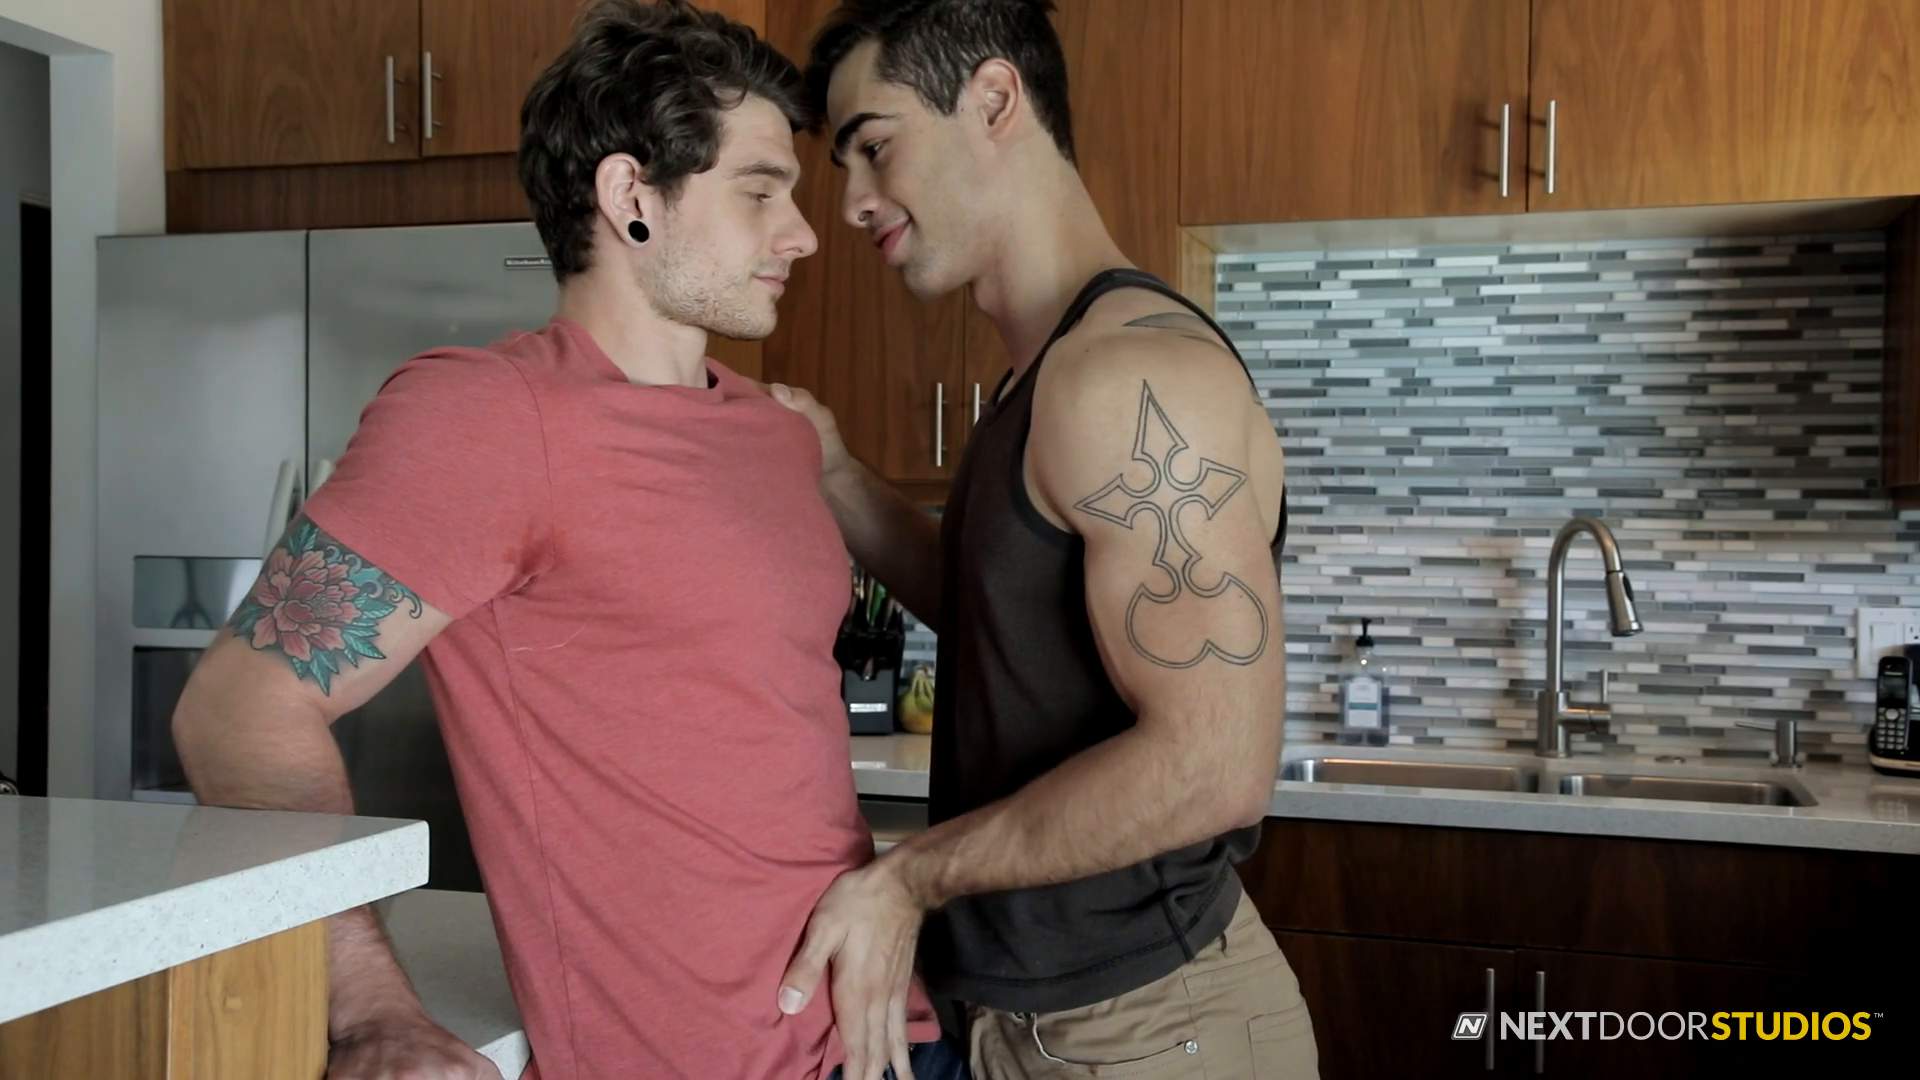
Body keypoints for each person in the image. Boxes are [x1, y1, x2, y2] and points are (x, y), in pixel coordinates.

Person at [170, 3, 966, 1078]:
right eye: (759, 191)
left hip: (887, 1036)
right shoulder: (489, 420)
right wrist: (363, 1007)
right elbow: (239, 709)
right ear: (632, 198)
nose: (802, 234)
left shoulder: (778, 438)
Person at [768, 1, 1320, 1075]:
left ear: (993, 100)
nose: (851, 203)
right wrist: (834, 471)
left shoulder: (1129, 377)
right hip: (1035, 1024)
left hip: (1154, 1030)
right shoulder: (1045, 375)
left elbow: (1213, 767)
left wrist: (909, 877)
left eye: (874, 147)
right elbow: (997, 618)